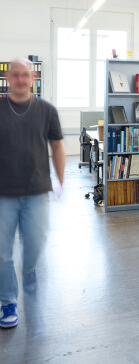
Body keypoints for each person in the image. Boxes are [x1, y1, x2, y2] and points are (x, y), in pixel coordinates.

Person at [0, 58, 64, 329]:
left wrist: (61, 181)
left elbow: (57, 146)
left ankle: (28, 272)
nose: (21, 79)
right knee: (2, 253)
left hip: (37, 191)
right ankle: (7, 302)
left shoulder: (47, 110)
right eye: (15, 75)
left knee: (35, 245)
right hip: (3, 193)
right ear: (7, 77)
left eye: (25, 75)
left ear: (33, 78)